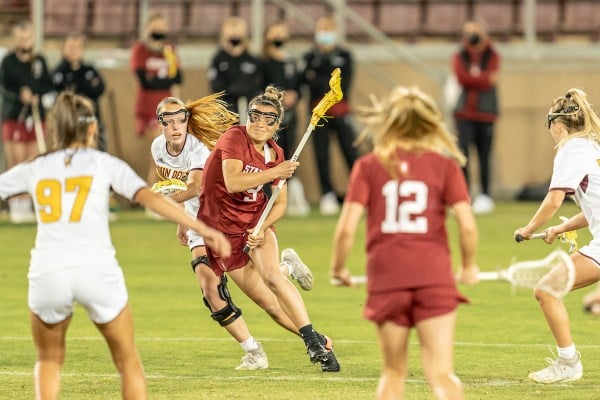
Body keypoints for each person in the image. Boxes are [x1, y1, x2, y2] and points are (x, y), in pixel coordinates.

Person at [0, 91, 231, 400]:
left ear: (55, 127)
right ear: (92, 127)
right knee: (127, 361)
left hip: (48, 271)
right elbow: (149, 198)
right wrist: (201, 229)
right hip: (97, 271)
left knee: (48, 359)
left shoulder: (36, 166)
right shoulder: (104, 163)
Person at [330, 86, 479, 399]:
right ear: (429, 124)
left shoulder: (368, 166)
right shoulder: (445, 166)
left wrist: (339, 269)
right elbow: (466, 225)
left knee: (393, 372)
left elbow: (346, 229)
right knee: (440, 372)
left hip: (387, 280)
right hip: (434, 279)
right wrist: (468, 266)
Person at [198, 86, 340, 372]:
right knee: (271, 306)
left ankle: (312, 342)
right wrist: (277, 171)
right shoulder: (234, 138)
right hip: (222, 230)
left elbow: (280, 204)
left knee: (271, 277)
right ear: (247, 116)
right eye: (255, 116)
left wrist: (264, 227)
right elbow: (233, 182)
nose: (261, 123)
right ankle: (318, 335)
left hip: (255, 222)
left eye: (269, 119)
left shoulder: (276, 152)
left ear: (278, 124)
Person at [514, 88, 600, 384]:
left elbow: (553, 200)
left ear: (557, 124)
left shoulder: (571, 149)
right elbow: (593, 211)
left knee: (546, 291)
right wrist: (562, 228)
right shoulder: (592, 148)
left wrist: (528, 230)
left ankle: (568, 363)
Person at [299, 15, 358, 216]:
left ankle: (361, 192)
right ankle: (328, 194)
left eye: (329, 28)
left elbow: (343, 86)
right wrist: (324, 81)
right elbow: (309, 85)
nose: (325, 32)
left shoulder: (345, 55)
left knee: (351, 152)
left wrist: (319, 78)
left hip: (341, 112)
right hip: (318, 113)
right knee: (321, 155)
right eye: (322, 28)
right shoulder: (309, 57)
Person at [0, 19, 55, 223]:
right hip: (15, 117)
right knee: (16, 162)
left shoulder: (39, 61)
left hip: (36, 117)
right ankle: (17, 205)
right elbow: (5, 87)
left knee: (35, 161)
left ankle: (33, 204)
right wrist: (19, 95)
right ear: (16, 38)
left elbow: (47, 85)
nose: (24, 41)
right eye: (21, 37)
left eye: (28, 37)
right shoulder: (8, 61)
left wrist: (37, 95)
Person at [451, 19, 500, 215]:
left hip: (486, 114)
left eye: (475, 31)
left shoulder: (492, 54)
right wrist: (480, 79)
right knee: (463, 156)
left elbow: (491, 79)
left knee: (484, 156)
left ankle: (485, 195)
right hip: (463, 114)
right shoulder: (460, 55)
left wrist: (474, 79)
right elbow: (461, 78)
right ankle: (463, 195)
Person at [262, 21, 310, 217]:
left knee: (289, 154)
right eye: (276, 33)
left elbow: (298, 85)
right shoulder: (263, 63)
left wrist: (295, 95)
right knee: (270, 156)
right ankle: (267, 198)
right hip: (269, 120)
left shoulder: (291, 62)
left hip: (289, 117)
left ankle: (292, 198)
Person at [130, 11, 182, 186]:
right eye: (156, 27)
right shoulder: (140, 50)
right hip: (150, 109)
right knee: (159, 152)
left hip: (168, 109)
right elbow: (145, 81)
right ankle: (154, 193)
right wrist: (164, 81)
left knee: (169, 154)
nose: (160, 31)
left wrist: (159, 80)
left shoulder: (169, 50)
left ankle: (163, 194)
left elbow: (177, 78)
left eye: (163, 28)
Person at [52, 31, 106, 151]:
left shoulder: (90, 70)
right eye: (71, 47)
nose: (75, 50)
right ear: (63, 49)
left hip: (90, 121)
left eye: (78, 47)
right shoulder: (58, 72)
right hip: (69, 124)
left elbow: (99, 88)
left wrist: (78, 85)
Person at [207, 16, 264, 115]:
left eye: (238, 32)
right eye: (231, 32)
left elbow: (258, 83)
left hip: (250, 110)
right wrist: (232, 91)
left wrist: (242, 89)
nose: (235, 35)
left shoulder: (253, 59)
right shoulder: (218, 59)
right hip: (226, 110)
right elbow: (215, 85)